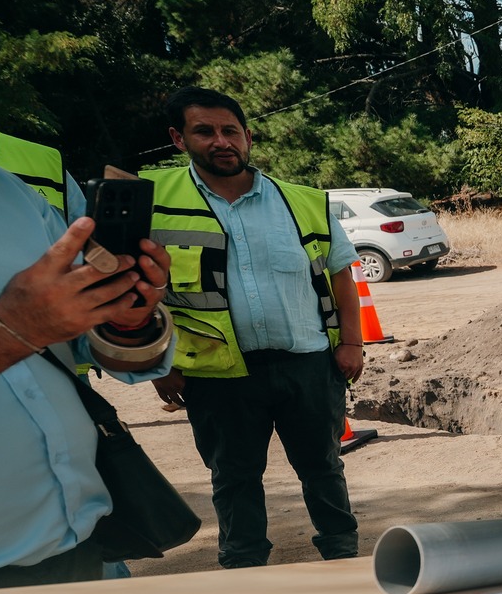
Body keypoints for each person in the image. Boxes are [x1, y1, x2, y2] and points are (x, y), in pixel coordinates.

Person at [148, 87, 363, 569]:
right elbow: (136, 293)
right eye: (205, 131)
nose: (221, 142)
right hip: (217, 375)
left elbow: (341, 276)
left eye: (230, 131)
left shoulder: (303, 201)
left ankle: (343, 556)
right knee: (234, 477)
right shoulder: (154, 202)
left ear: (248, 136)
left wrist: (352, 342)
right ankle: (242, 567)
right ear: (179, 139)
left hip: (307, 363)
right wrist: (158, 363)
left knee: (323, 468)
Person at [0, 157, 174, 588]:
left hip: (76, 541)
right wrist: (8, 329)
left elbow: (92, 346)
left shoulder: (6, 190)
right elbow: (24, 326)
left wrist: (129, 321)